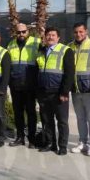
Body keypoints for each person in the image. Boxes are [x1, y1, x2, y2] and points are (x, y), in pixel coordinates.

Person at [35, 27, 75, 155]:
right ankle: (50, 143)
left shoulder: (65, 50)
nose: (50, 37)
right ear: (45, 37)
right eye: (48, 35)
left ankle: (62, 146)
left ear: (58, 38)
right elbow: (38, 71)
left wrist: (64, 92)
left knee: (62, 121)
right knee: (47, 120)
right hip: (44, 92)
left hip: (58, 93)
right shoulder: (41, 51)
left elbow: (70, 73)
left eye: (53, 35)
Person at [68, 23, 90, 156]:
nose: (78, 34)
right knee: (80, 118)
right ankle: (82, 142)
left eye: (81, 32)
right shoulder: (69, 47)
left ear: (86, 31)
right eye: (76, 32)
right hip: (75, 89)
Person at [7, 23, 41, 147]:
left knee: (31, 112)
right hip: (16, 85)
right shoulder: (11, 44)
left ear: (28, 31)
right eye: (18, 32)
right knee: (18, 112)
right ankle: (20, 137)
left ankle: (32, 138)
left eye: (23, 32)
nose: (21, 34)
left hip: (30, 85)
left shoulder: (36, 43)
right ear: (15, 33)